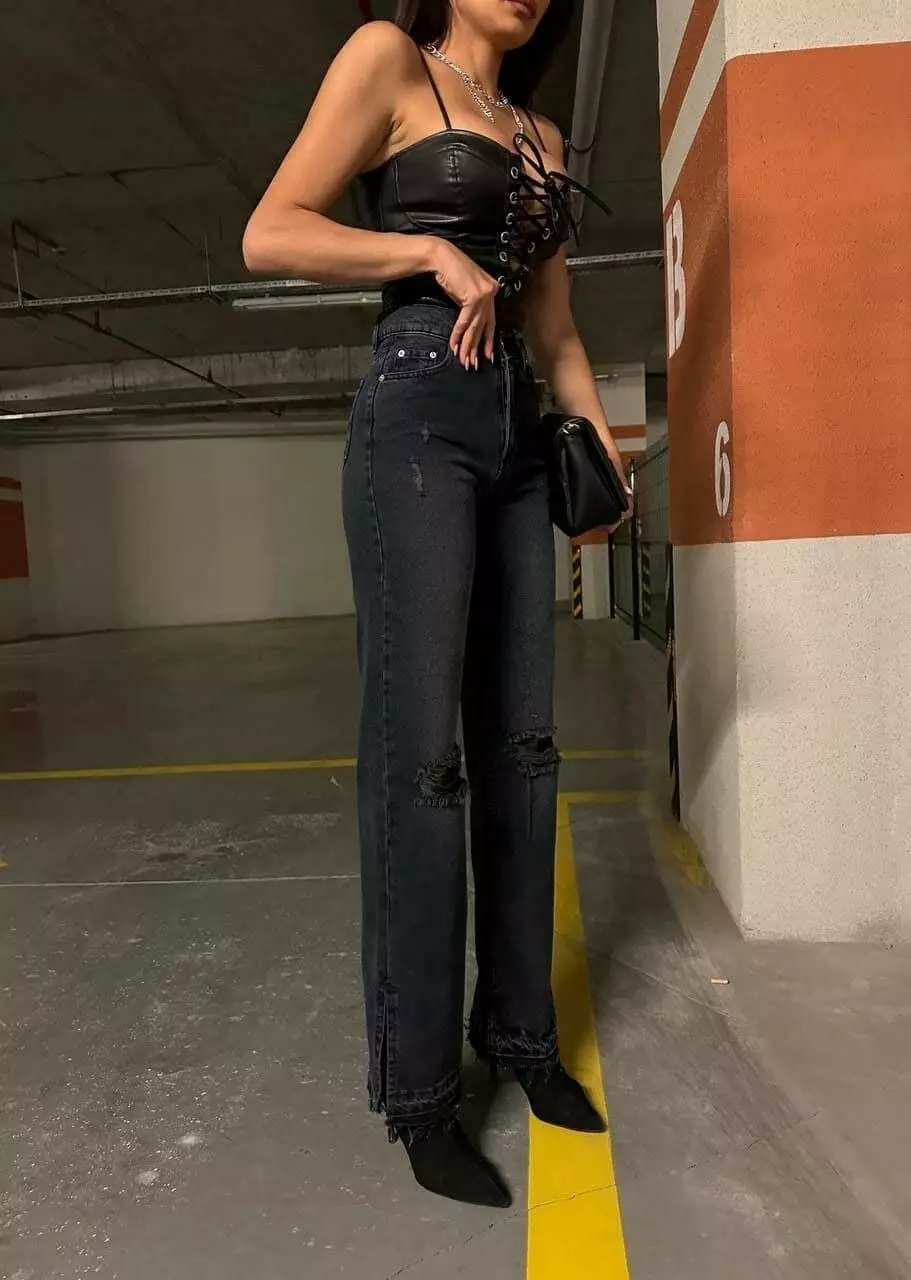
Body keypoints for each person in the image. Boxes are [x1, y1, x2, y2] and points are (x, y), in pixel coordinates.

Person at [243, 0, 628, 1208]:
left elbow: (554, 328)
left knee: (523, 748)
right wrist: (424, 252)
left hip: (516, 428)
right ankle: (418, 1093)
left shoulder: (541, 136)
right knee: (421, 763)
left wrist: (602, 454)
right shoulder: (388, 59)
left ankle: (519, 1036)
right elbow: (269, 231)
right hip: (416, 414)